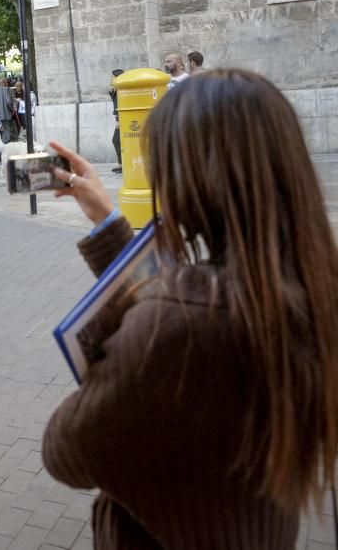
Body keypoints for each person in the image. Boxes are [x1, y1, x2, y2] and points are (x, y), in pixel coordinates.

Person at [42, 69, 338, 548]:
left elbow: (65, 452)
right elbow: (186, 305)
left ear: (188, 177)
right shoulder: (308, 283)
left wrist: (105, 357)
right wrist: (106, 220)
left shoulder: (179, 325)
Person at [109, 69, 125, 174]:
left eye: (112, 77)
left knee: (116, 140)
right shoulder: (116, 90)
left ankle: (122, 164)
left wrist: (118, 120)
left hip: (122, 119)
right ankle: (121, 163)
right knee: (118, 141)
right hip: (120, 118)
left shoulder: (121, 91)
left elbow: (120, 105)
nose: (110, 79)